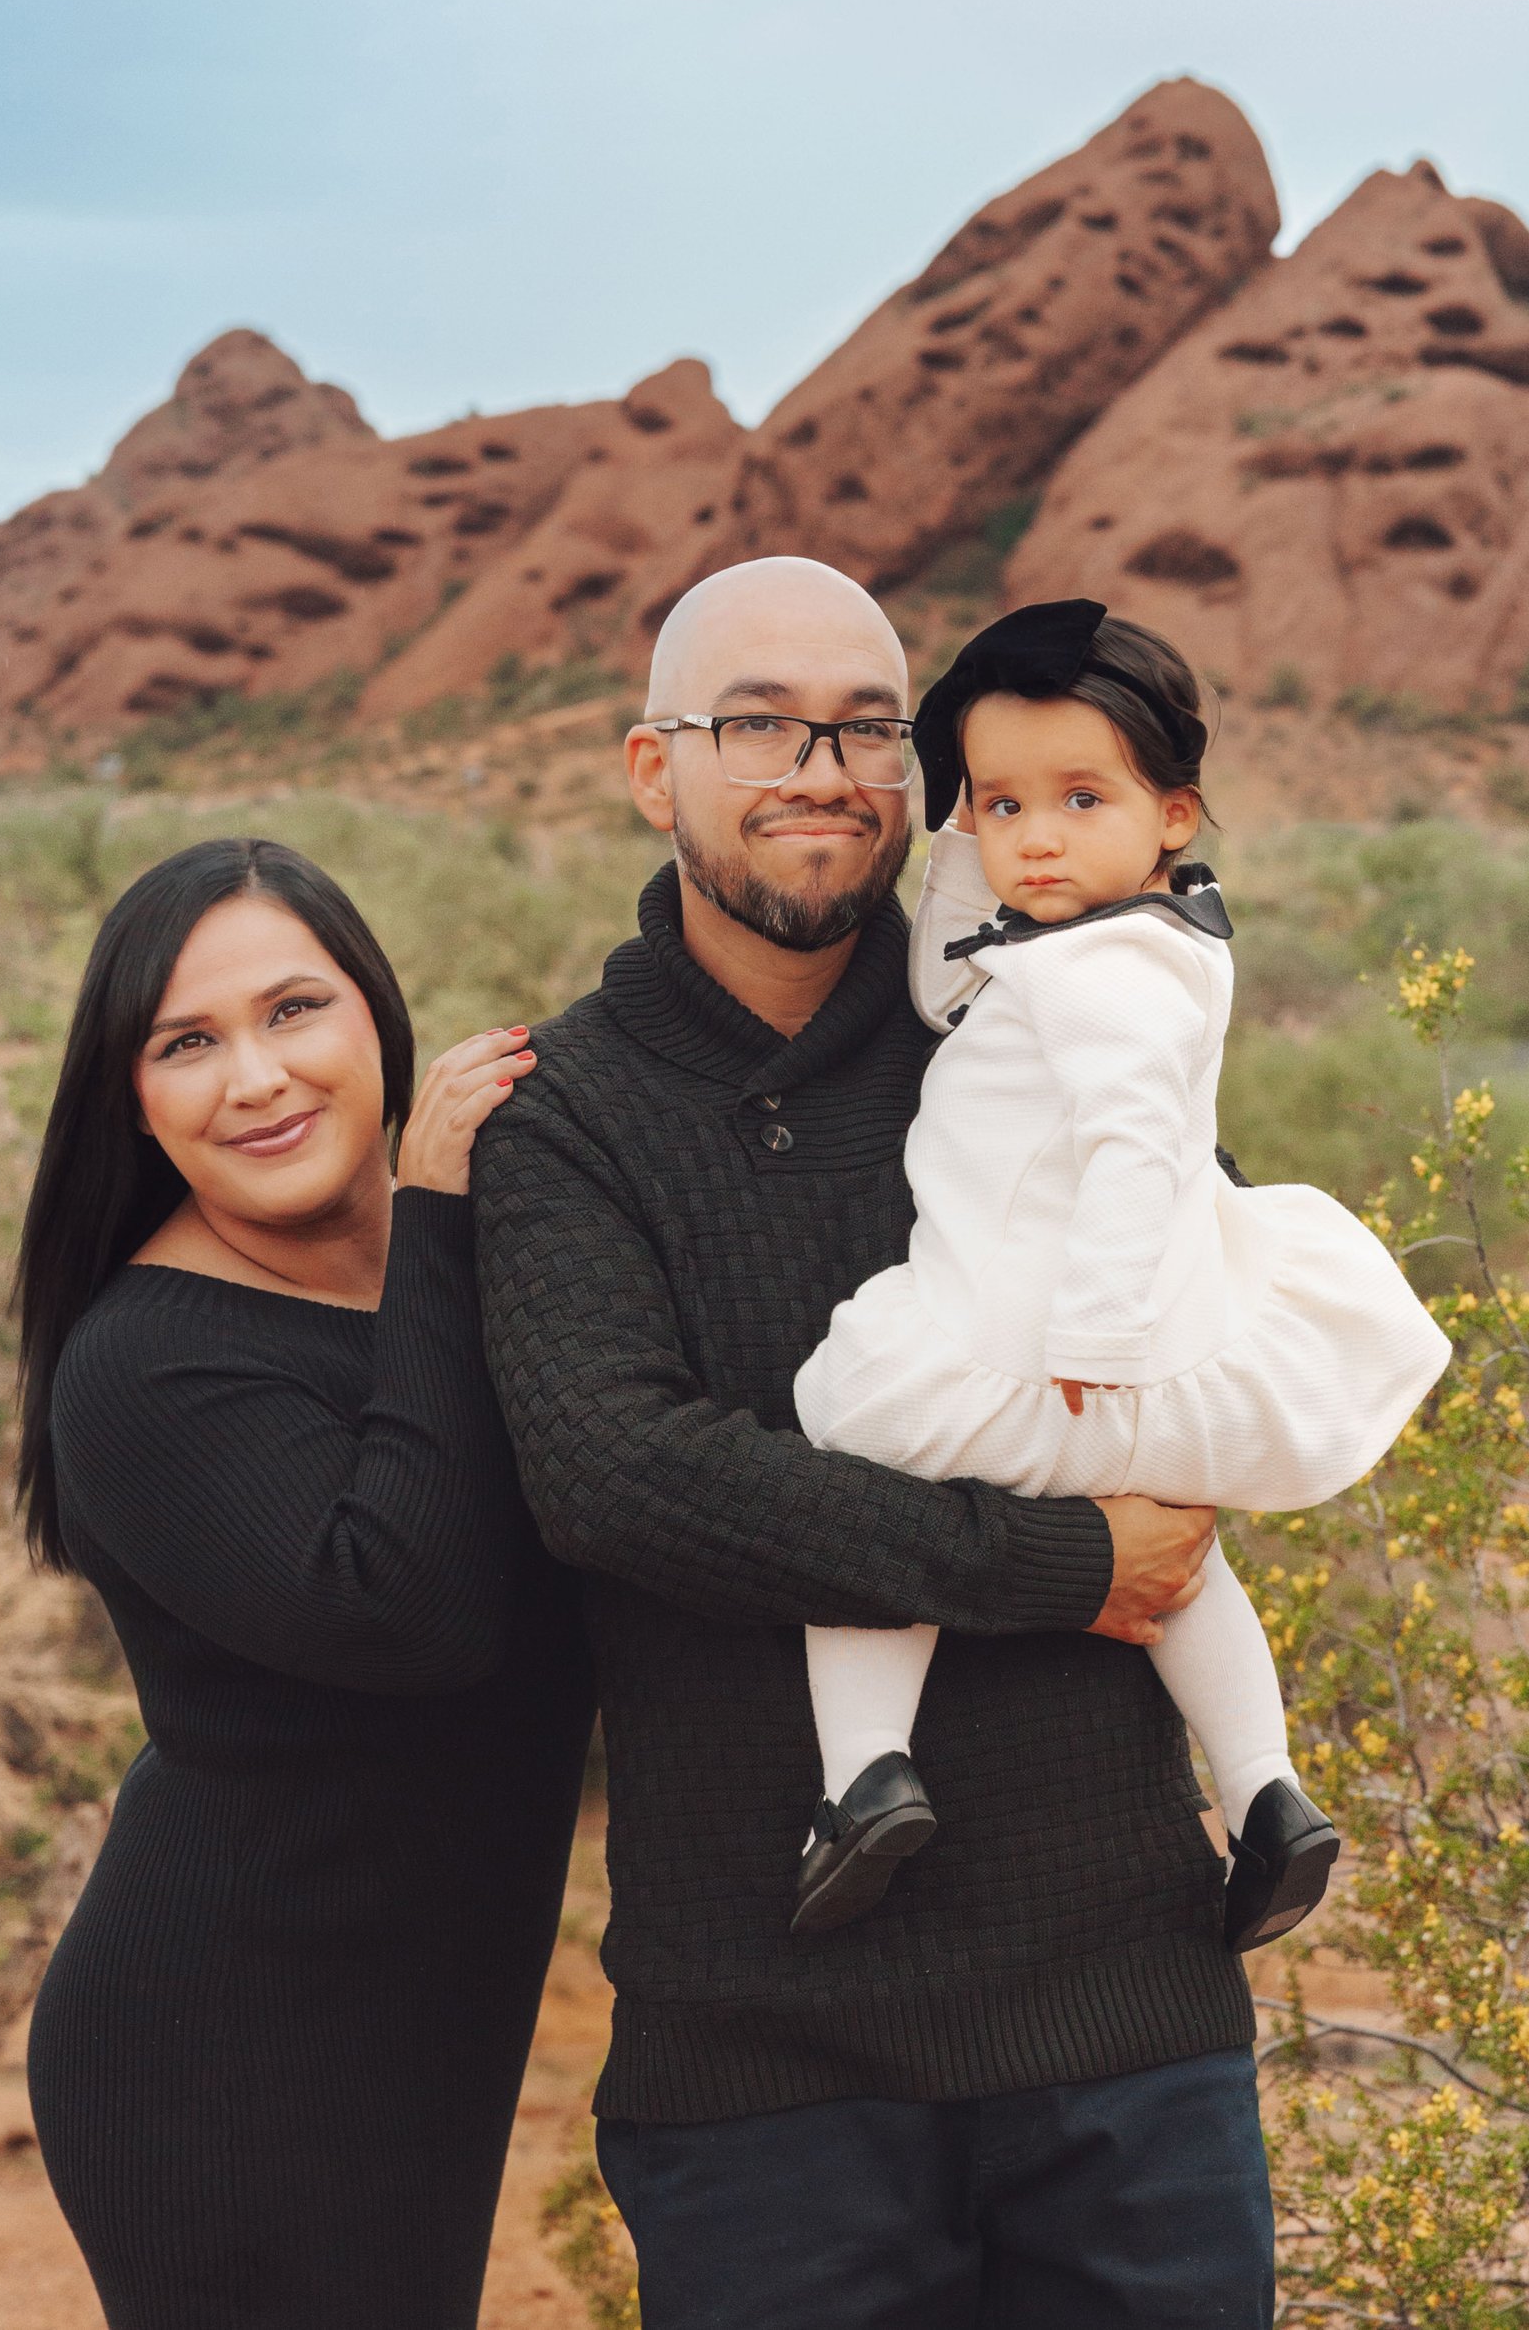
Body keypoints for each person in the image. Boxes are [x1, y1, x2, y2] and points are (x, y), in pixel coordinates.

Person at [474, 556, 1277, 2329]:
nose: (820, 767)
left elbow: (1196, 1338)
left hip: (1120, 2020)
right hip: (767, 2064)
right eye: (755, 722)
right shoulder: (570, 1116)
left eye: (863, 729)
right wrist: (1070, 1562)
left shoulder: (1036, 1025)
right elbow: (622, 1475)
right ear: (649, 767)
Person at [789, 599, 1451, 1948]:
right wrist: (963, 851)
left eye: (1081, 797)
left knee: (851, 1459)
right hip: (1127, 1366)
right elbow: (945, 987)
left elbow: (1145, 1147)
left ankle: (863, 1773)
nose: (1033, 834)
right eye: (1000, 801)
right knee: (1180, 1566)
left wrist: (1095, 1329)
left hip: (1050, 1353)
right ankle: (1268, 1795)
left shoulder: (1106, 978)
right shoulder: (1129, 943)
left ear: (1174, 815)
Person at [17, 838, 591, 2330]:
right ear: (133, 1099)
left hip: (424, 2022)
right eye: (188, 1043)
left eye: (294, 1011)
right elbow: (407, 1604)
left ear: (375, 1017)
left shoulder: (479, 1263)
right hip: (227, 2047)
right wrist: (445, 1220)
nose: (257, 1078)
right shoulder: (142, 1360)